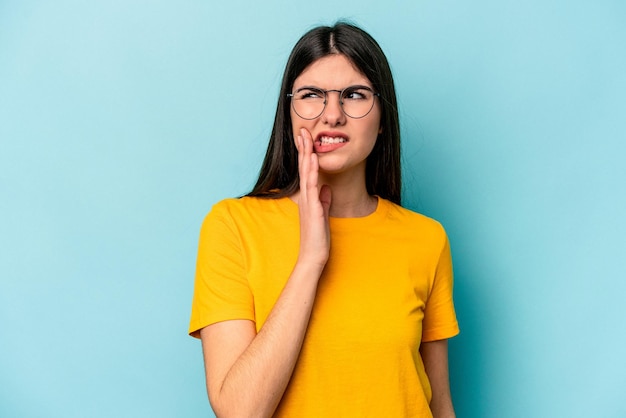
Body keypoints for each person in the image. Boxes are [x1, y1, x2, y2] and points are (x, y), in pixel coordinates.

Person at [189, 22, 459, 418]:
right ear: (289, 112)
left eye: (354, 95)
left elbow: (439, 404)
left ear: (382, 118)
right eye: (312, 95)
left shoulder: (426, 239)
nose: (332, 115)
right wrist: (311, 260)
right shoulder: (232, 226)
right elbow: (239, 411)